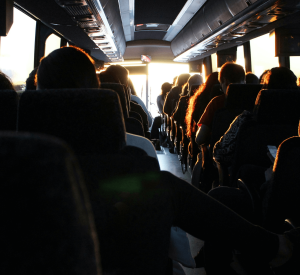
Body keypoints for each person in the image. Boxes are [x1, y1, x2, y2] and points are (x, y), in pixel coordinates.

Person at [36, 46, 299, 275]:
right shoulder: (135, 153)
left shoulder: (16, 158)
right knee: (161, 185)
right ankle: (270, 248)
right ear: (96, 91)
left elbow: (200, 138)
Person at [196, 63, 245, 146]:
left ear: (225, 81)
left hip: (221, 156)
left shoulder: (216, 103)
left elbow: (200, 138)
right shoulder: (256, 100)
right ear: (244, 80)